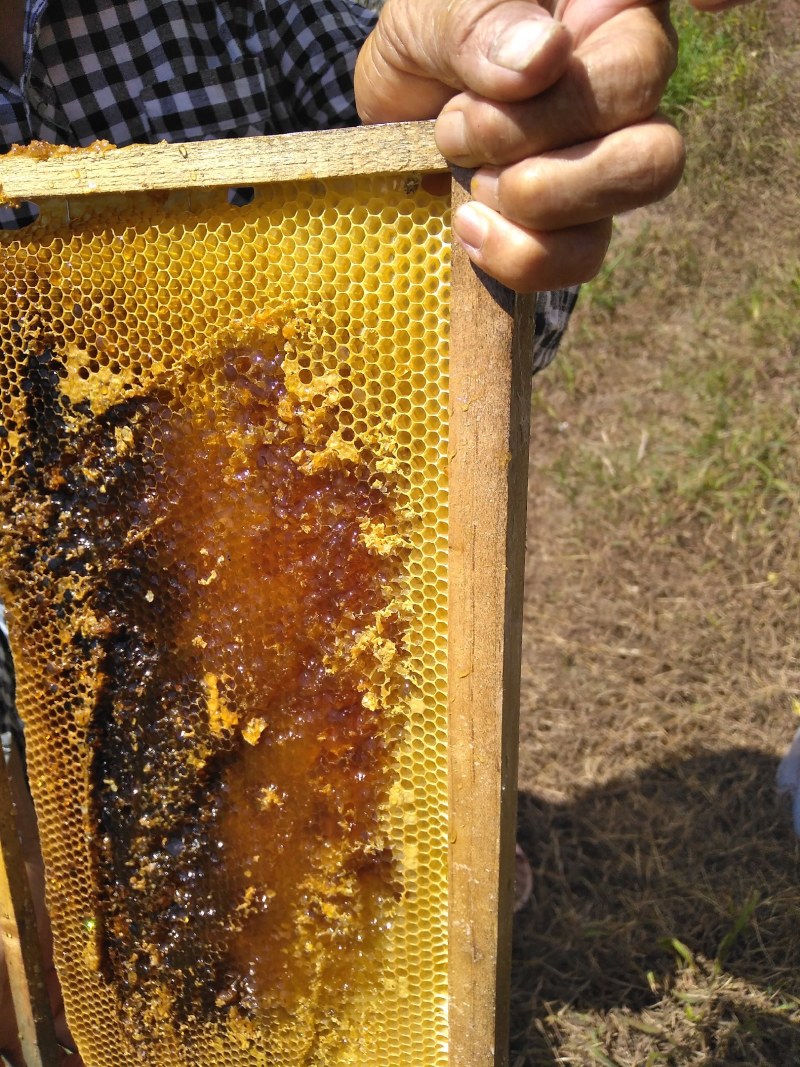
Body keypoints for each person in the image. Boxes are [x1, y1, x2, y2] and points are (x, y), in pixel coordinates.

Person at [0, 1, 754, 1063]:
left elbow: (449, 282)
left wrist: (485, 143)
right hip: (38, 788)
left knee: (329, 982)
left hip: (302, 751)